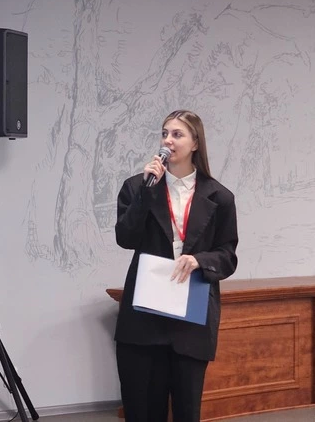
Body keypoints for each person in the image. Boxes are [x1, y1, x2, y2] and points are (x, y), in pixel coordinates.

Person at [113, 110, 239, 422]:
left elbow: (227, 255)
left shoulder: (220, 197)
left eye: (177, 134)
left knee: (186, 410)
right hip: (144, 318)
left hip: (190, 317)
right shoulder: (137, 187)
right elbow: (125, 238)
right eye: (164, 133)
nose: (168, 141)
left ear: (195, 143)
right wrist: (145, 193)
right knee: (142, 409)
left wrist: (200, 260)